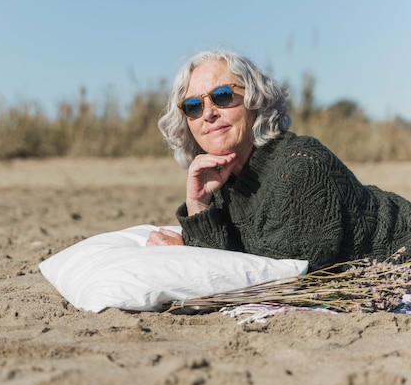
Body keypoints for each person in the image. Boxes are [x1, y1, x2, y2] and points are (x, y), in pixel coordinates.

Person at [146, 49, 411, 272]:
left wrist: (185, 252)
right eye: (193, 106)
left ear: (255, 101)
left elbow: (273, 277)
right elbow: (224, 259)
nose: (209, 114)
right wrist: (198, 204)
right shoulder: (221, 181)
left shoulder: (300, 165)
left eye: (222, 96)